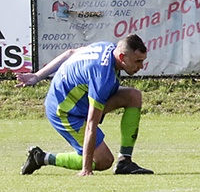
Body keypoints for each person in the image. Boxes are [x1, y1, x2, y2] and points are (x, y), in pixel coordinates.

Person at [16, 34, 154, 176]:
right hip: (64, 112)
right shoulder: (102, 76)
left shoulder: (109, 48)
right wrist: (86, 169)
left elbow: (70, 53)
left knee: (133, 96)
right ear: (122, 57)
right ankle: (41, 158)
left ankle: (125, 162)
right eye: (137, 61)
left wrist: (37, 76)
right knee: (104, 161)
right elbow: (91, 125)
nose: (141, 66)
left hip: (79, 102)